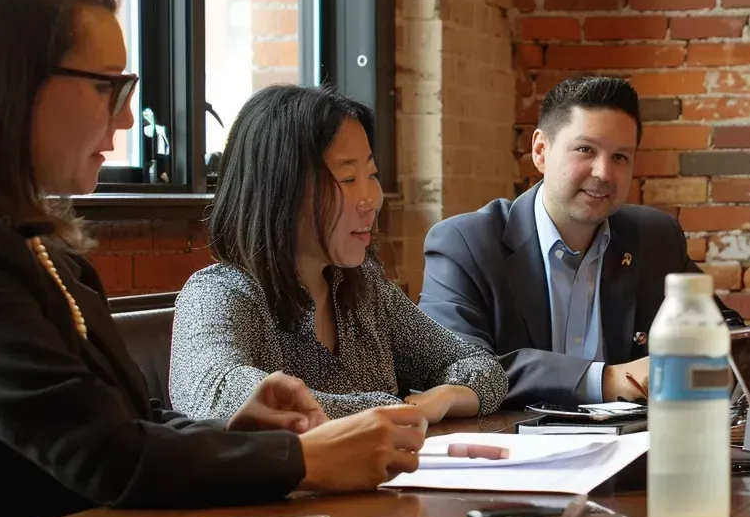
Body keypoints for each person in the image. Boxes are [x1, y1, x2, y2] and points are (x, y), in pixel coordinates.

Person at [0, 0, 426, 517]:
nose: (129, 115)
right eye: (109, 86)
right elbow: (101, 456)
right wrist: (299, 458)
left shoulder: (34, 248)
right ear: (14, 83)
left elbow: (118, 427)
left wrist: (229, 431)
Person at [169, 85, 507, 423]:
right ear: (280, 191)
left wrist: (443, 397)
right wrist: (390, 410)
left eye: (371, 174)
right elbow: (219, 397)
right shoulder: (217, 294)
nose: (371, 199)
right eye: (348, 178)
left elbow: (480, 366)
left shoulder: (364, 290)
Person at [419, 76, 744, 408]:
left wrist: (727, 359)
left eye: (620, 157)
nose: (603, 172)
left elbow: (725, 334)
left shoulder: (654, 238)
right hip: (511, 451)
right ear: (540, 151)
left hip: (634, 449)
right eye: (585, 149)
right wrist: (605, 379)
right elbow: (453, 367)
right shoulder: (465, 244)